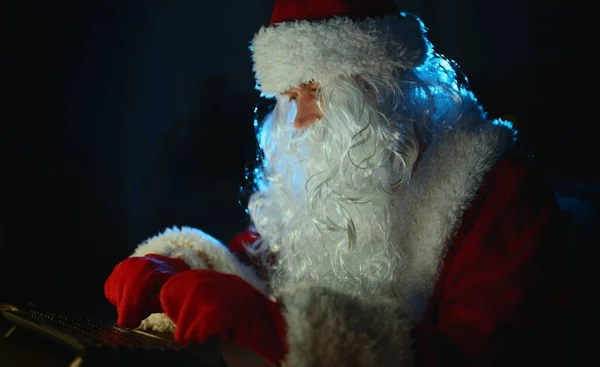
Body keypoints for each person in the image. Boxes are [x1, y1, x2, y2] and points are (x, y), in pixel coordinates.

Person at [104, 0, 571, 365]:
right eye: (289, 96)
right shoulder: (322, 177)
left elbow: (483, 356)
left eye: (317, 91)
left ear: (384, 85)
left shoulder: (499, 193)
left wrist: (287, 332)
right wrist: (178, 267)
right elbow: (255, 264)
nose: (299, 120)